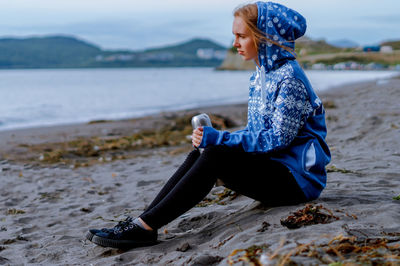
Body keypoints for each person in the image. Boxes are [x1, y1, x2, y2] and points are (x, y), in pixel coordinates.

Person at [86, 1, 331, 249]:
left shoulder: (290, 79)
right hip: (276, 169)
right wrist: (218, 138)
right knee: (202, 153)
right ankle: (143, 223)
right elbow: (257, 132)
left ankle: (144, 226)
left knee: (215, 154)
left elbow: (276, 140)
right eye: (234, 35)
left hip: (298, 181)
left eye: (242, 36)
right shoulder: (261, 76)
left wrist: (221, 139)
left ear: (266, 38)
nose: (235, 43)